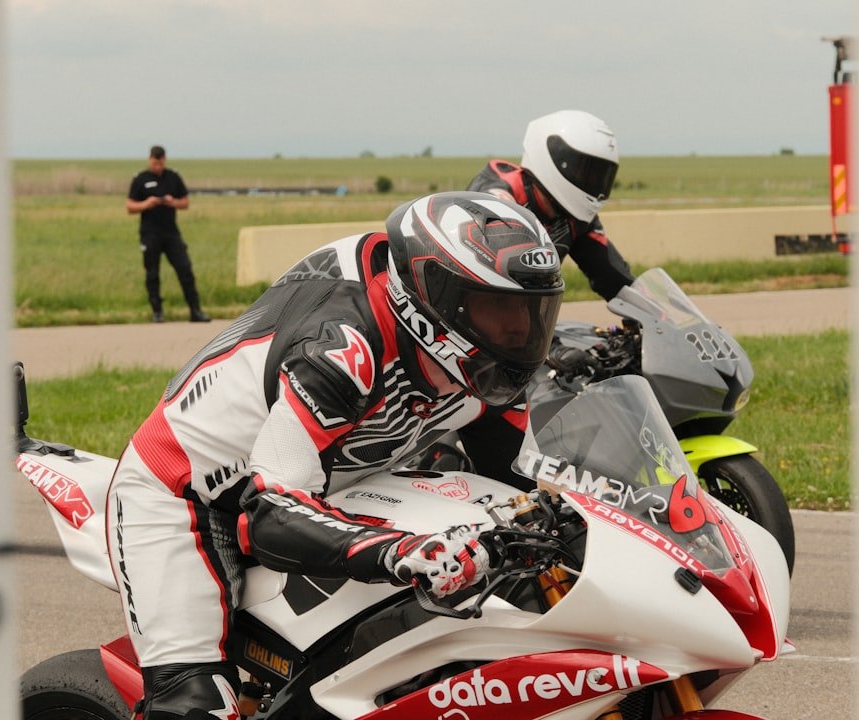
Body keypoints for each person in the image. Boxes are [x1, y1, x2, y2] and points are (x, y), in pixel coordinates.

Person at [105, 191, 564, 718]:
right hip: (189, 498)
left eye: (533, 311)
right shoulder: (343, 347)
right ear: (436, 297)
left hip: (331, 486)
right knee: (196, 703)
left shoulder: (480, 368)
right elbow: (271, 517)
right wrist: (402, 552)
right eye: (499, 309)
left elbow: (518, 483)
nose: (522, 333)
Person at [468, 109, 633, 302]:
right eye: (585, 172)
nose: (594, 183)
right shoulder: (499, 196)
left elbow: (613, 276)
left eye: (600, 176)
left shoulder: (574, 217)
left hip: (531, 314)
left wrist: (654, 311)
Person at [126, 145, 211, 323]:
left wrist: (172, 202)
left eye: (161, 163)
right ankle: (157, 311)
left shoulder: (173, 177)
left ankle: (195, 310)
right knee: (152, 273)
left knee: (185, 269)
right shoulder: (140, 179)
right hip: (150, 233)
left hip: (171, 233)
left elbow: (185, 203)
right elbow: (130, 206)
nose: (158, 166)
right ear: (150, 160)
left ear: (165, 160)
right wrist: (147, 203)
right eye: (155, 163)